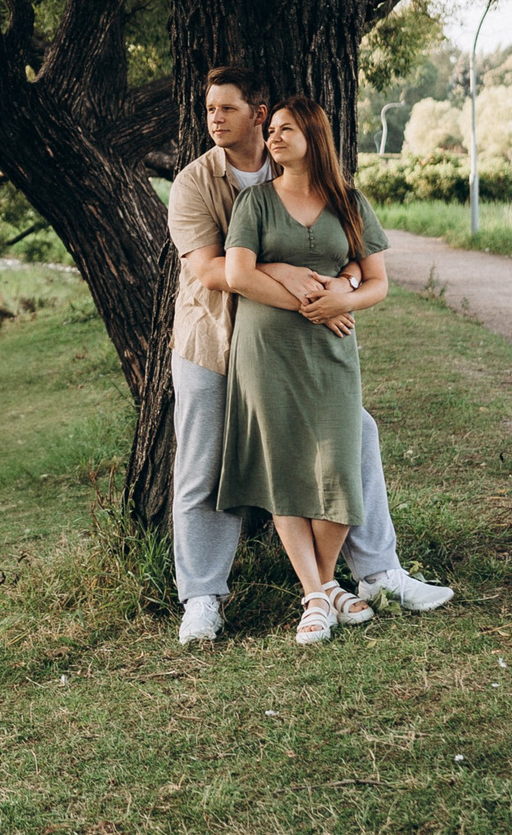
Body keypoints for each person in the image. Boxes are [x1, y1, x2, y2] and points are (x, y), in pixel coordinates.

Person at [167, 67, 451, 645]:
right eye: (209, 109)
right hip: (213, 342)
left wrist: (341, 283)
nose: (215, 119)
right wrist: (294, 281)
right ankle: (202, 595)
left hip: (298, 345)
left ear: (258, 112)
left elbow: (344, 253)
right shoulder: (195, 183)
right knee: (205, 462)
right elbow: (212, 271)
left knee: (357, 437)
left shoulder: (293, 169)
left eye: (227, 108)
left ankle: (375, 573)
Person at [220, 98, 393, 644]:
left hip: (332, 355)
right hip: (266, 353)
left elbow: (379, 283)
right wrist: (303, 297)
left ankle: (319, 588)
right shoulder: (255, 202)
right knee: (286, 470)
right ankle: (319, 597)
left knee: (340, 468)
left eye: (285, 129)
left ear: (313, 135)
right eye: (269, 130)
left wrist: (345, 300)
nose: (272, 137)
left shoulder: (350, 202)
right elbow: (238, 275)